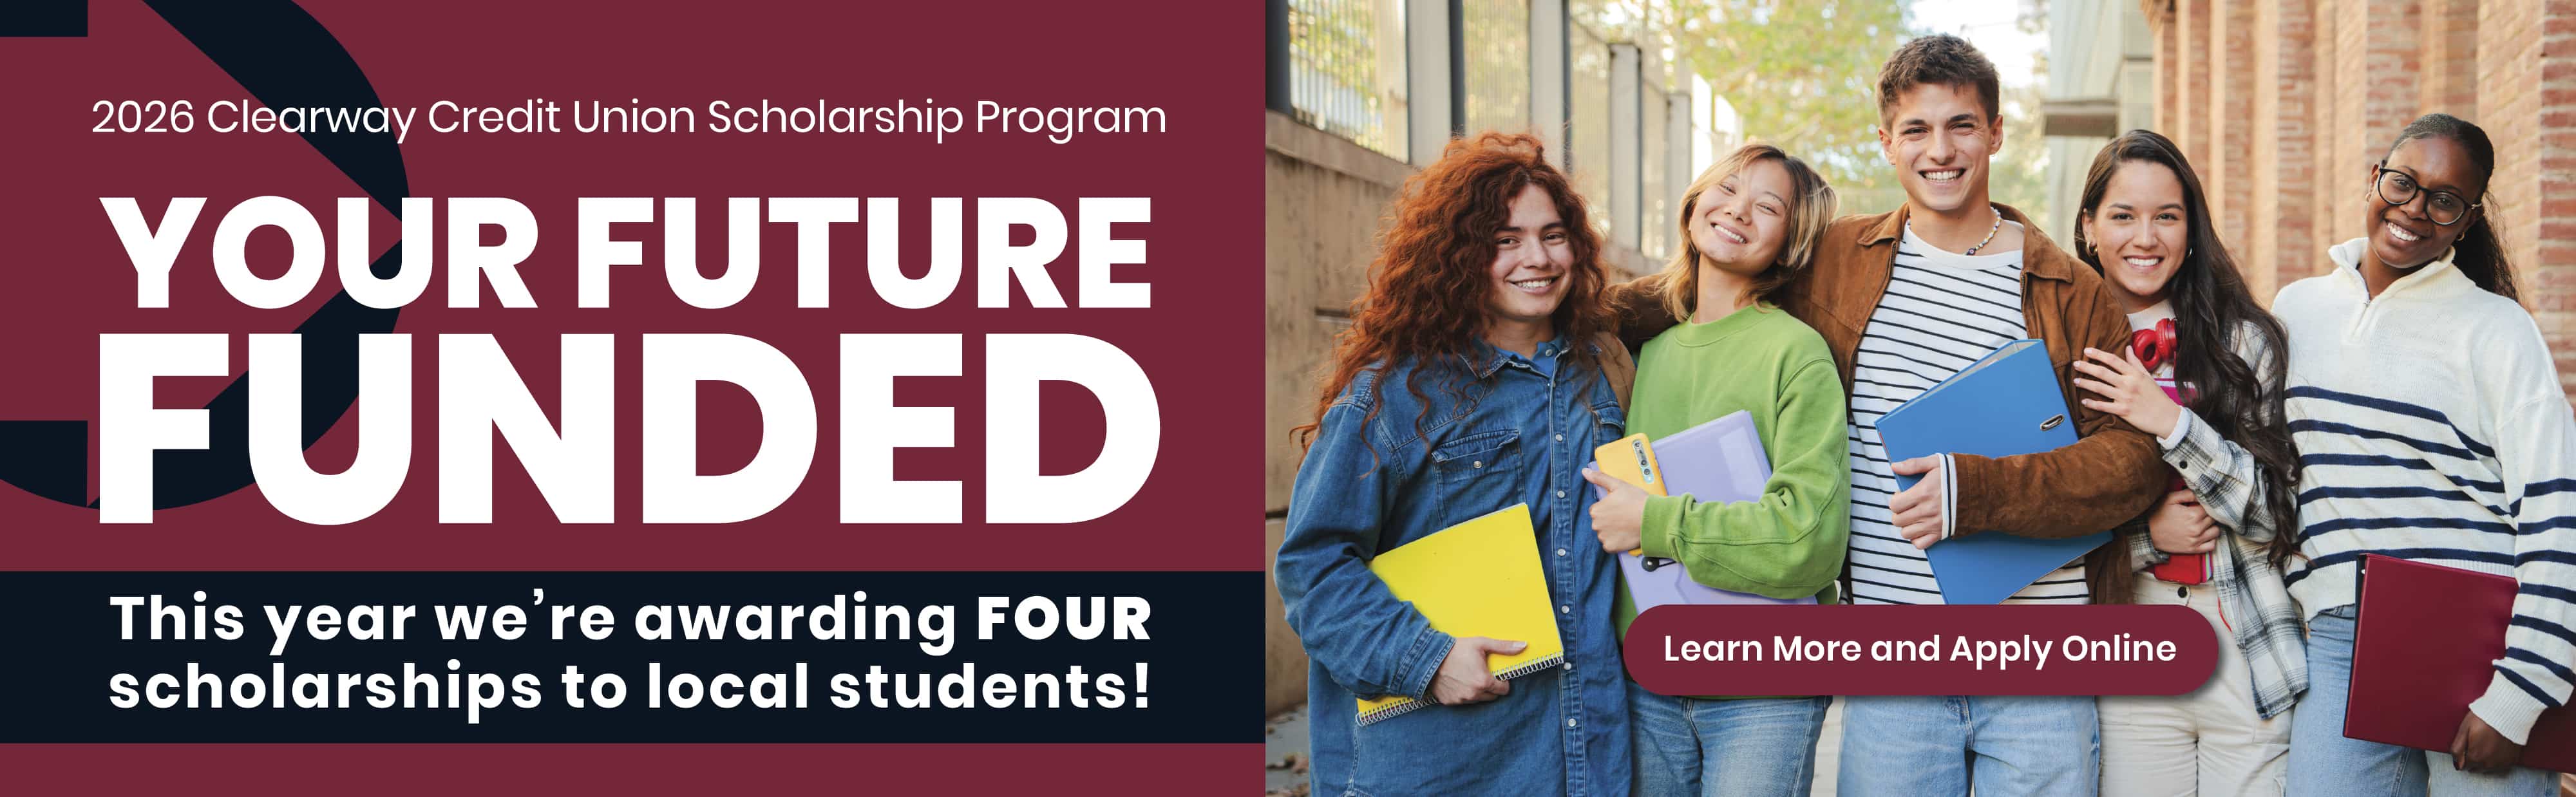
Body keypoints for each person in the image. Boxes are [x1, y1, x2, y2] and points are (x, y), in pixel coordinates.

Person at [1607, 33, 2165, 796]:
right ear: (1886, 143)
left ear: (1996, 133)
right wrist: (1559, 305)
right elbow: (1701, 290)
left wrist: (1978, 493)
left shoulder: (2070, 287)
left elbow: (2130, 462)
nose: (1940, 150)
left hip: (2036, 655)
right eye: (1916, 130)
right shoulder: (1837, 259)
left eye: (1961, 125)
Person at [1275, 131, 1636, 796]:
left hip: (1581, 755)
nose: (1536, 257)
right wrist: (1426, 657)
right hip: (1437, 761)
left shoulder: (1601, 372)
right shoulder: (1393, 394)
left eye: (1553, 235)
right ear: (1457, 254)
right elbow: (1313, 565)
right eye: (1504, 240)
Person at [2273, 113, 2572, 796]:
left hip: (2477, 640)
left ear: (2466, 221)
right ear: (2374, 176)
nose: (2414, 209)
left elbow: (2558, 515)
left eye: (2444, 200)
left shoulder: (2499, 330)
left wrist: (2522, 688)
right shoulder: (2297, 310)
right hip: (2339, 634)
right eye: (2402, 182)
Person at [1580, 143, 1848, 796]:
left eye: (1768, 206)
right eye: (1726, 188)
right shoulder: (1638, 354)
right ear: (1694, 201)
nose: (1738, 210)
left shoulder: (1796, 352)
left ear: (1788, 243)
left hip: (1763, 686)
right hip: (1647, 678)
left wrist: (1655, 521)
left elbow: (1806, 540)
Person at [2064, 129, 2307, 796]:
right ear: (2087, 228)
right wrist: (2147, 539)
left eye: (2166, 216)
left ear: (2191, 230)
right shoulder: (2058, 347)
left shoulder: (2243, 342)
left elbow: (2273, 512)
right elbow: (2046, 515)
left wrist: (2168, 419)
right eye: (2122, 215)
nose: (2145, 237)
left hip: (2244, 640)